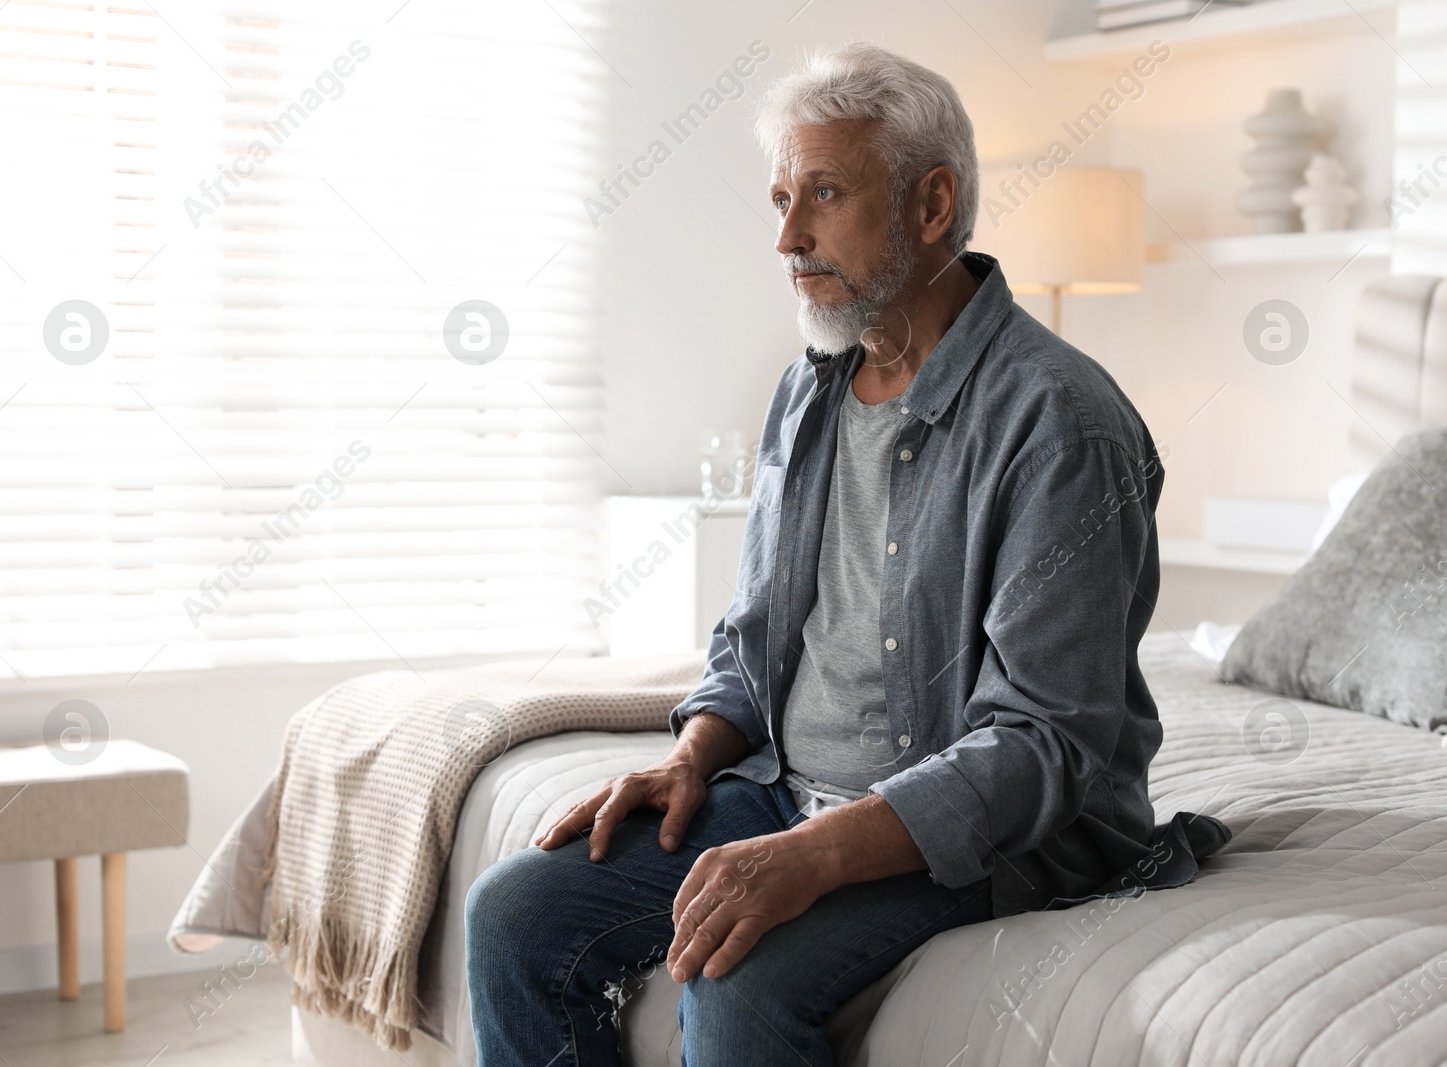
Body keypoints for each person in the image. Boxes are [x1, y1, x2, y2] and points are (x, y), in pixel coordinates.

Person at [466, 41, 1224, 1067]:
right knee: (514, 912)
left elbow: (1043, 739)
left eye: (822, 193)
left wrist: (813, 856)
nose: (786, 235)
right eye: (780, 197)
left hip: (978, 836)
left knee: (733, 980)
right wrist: (691, 754)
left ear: (930, 204)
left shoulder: (1060, 422)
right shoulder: (806, 387)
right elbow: (755, 632)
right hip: (785, 787)